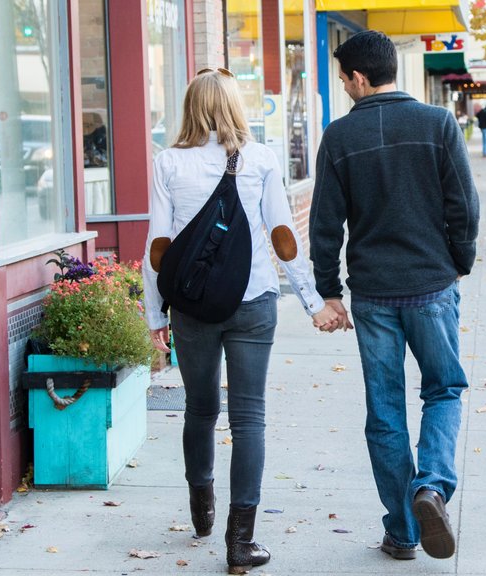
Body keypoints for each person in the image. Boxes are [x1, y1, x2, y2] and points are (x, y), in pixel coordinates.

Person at [142, 67, 340, 575]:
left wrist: (152, 314)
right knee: (249, 419)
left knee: (200, 409)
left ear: (191, 107)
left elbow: (157, 249)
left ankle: (201, 505)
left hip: (191, 307)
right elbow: (282, 237)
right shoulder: (260, 159)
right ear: (234, 107)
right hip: (253, 302)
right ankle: (240, 542)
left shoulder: (168, 163)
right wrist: (314, 303)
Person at [310, 30, 479, 561]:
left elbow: (324, 225)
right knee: (444, 391)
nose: (342, 85)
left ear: (359, 78)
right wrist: (458, 262)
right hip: (431, 286)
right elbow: (465, 208)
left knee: (384, 411)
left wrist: (328, 291)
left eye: (342, 77)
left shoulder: (339, 137)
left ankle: (403, 531)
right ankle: (431, 486)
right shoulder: (437, 124)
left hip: (374, 295)